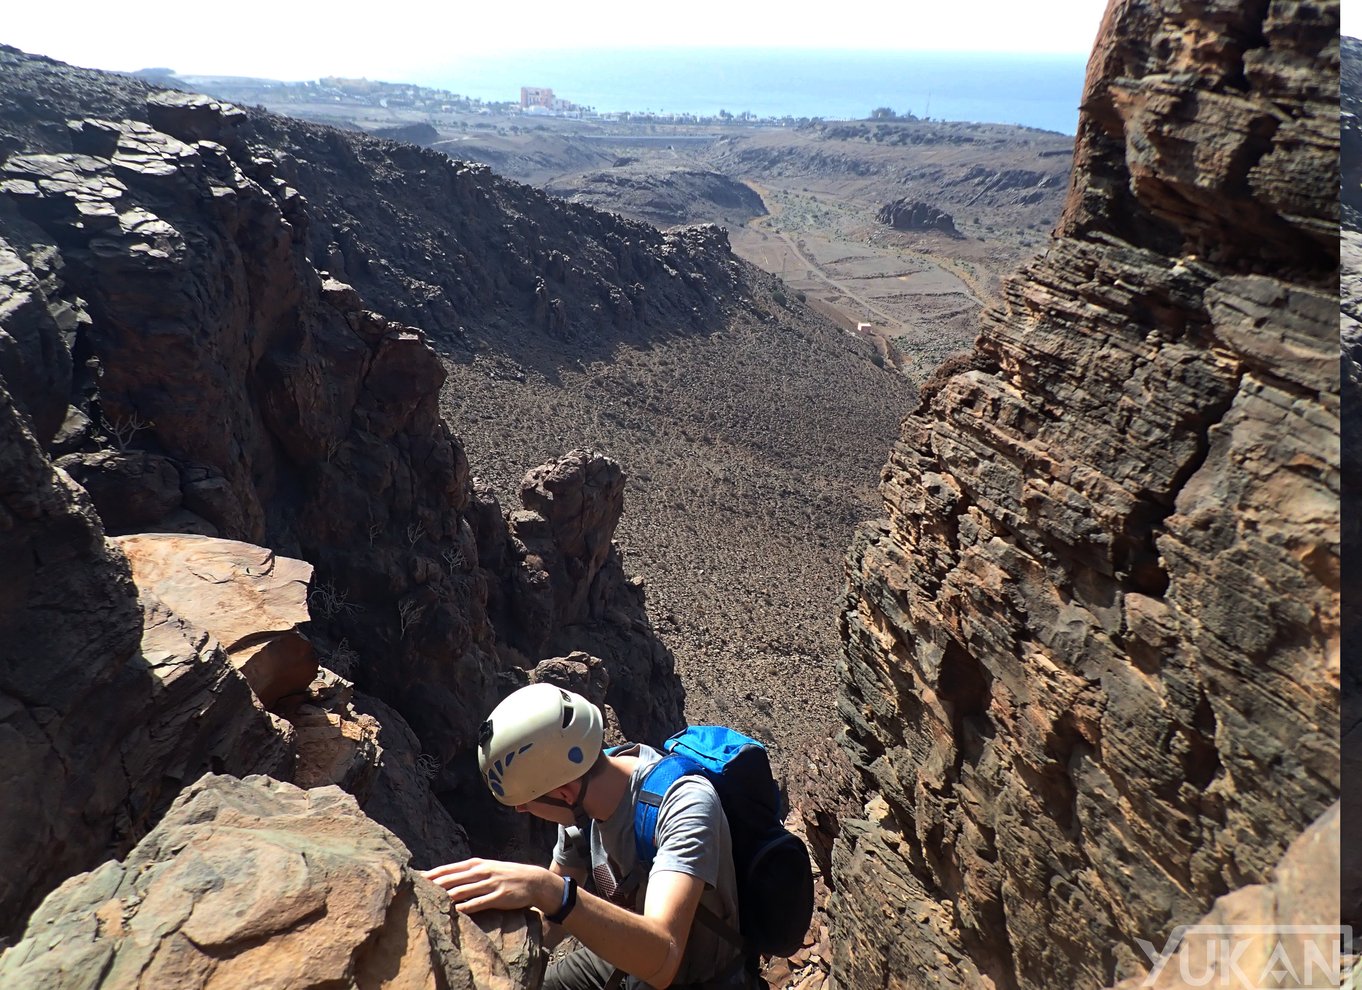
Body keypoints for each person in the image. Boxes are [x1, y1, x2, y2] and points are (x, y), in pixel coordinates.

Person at [423, 683, 751, 989]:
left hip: (697, 976)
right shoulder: (580, 805)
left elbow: (663, 958)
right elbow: (550, 921)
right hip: (626, 954)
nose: (522, 810)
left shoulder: (683, 803)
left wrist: (545, 888)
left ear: (564, 793)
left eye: (526, 801)